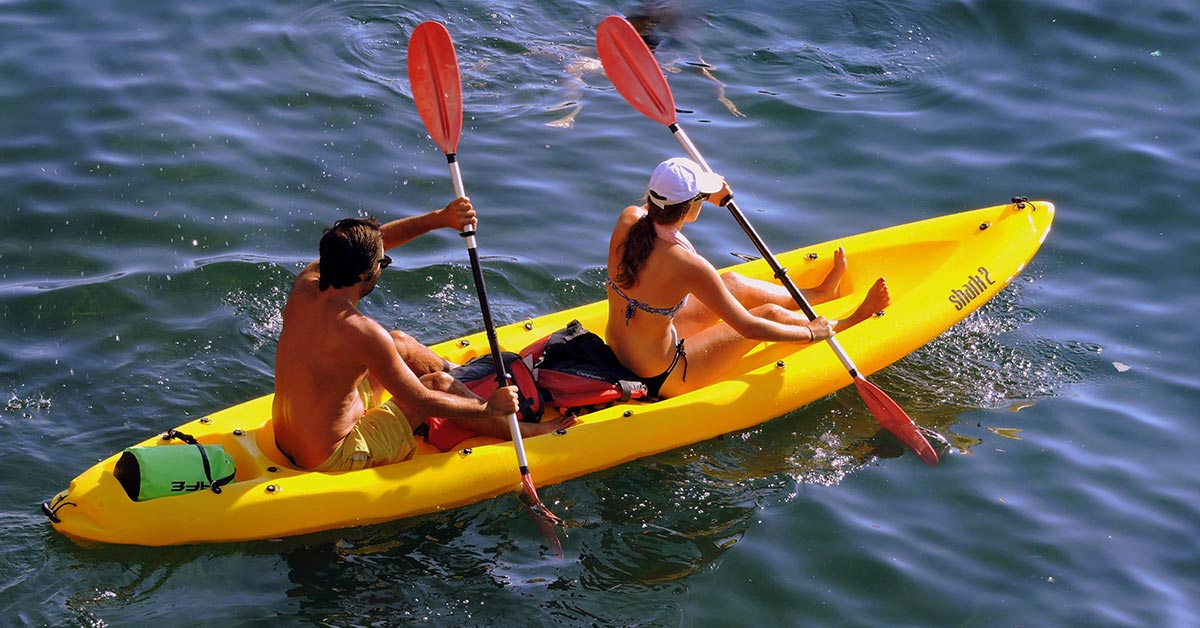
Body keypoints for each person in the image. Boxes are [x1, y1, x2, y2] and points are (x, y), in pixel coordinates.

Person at [272, 198, 574, 471]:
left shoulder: (306, 284)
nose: (382, 265)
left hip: (288, 436)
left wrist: (440, 218)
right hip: (332, 455)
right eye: (382, 263)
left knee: (399, 342)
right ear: (365, 275)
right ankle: (521, 429)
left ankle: (466, 379)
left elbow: (376, 243)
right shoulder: (362, 332)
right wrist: (488, 407)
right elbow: (423, 401)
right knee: (439, 384)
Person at [605, 157, 892, 398]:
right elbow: (749, 327)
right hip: (663, 374)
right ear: (692, 204)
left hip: (622, 351)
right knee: (769, 314)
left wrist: (705, 194)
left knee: (733, 283)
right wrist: (810, 332)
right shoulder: (689, 265)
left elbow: (659, 218)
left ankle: (819, 294)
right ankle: (842, 324)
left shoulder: (629, 218)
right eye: (702, 198)